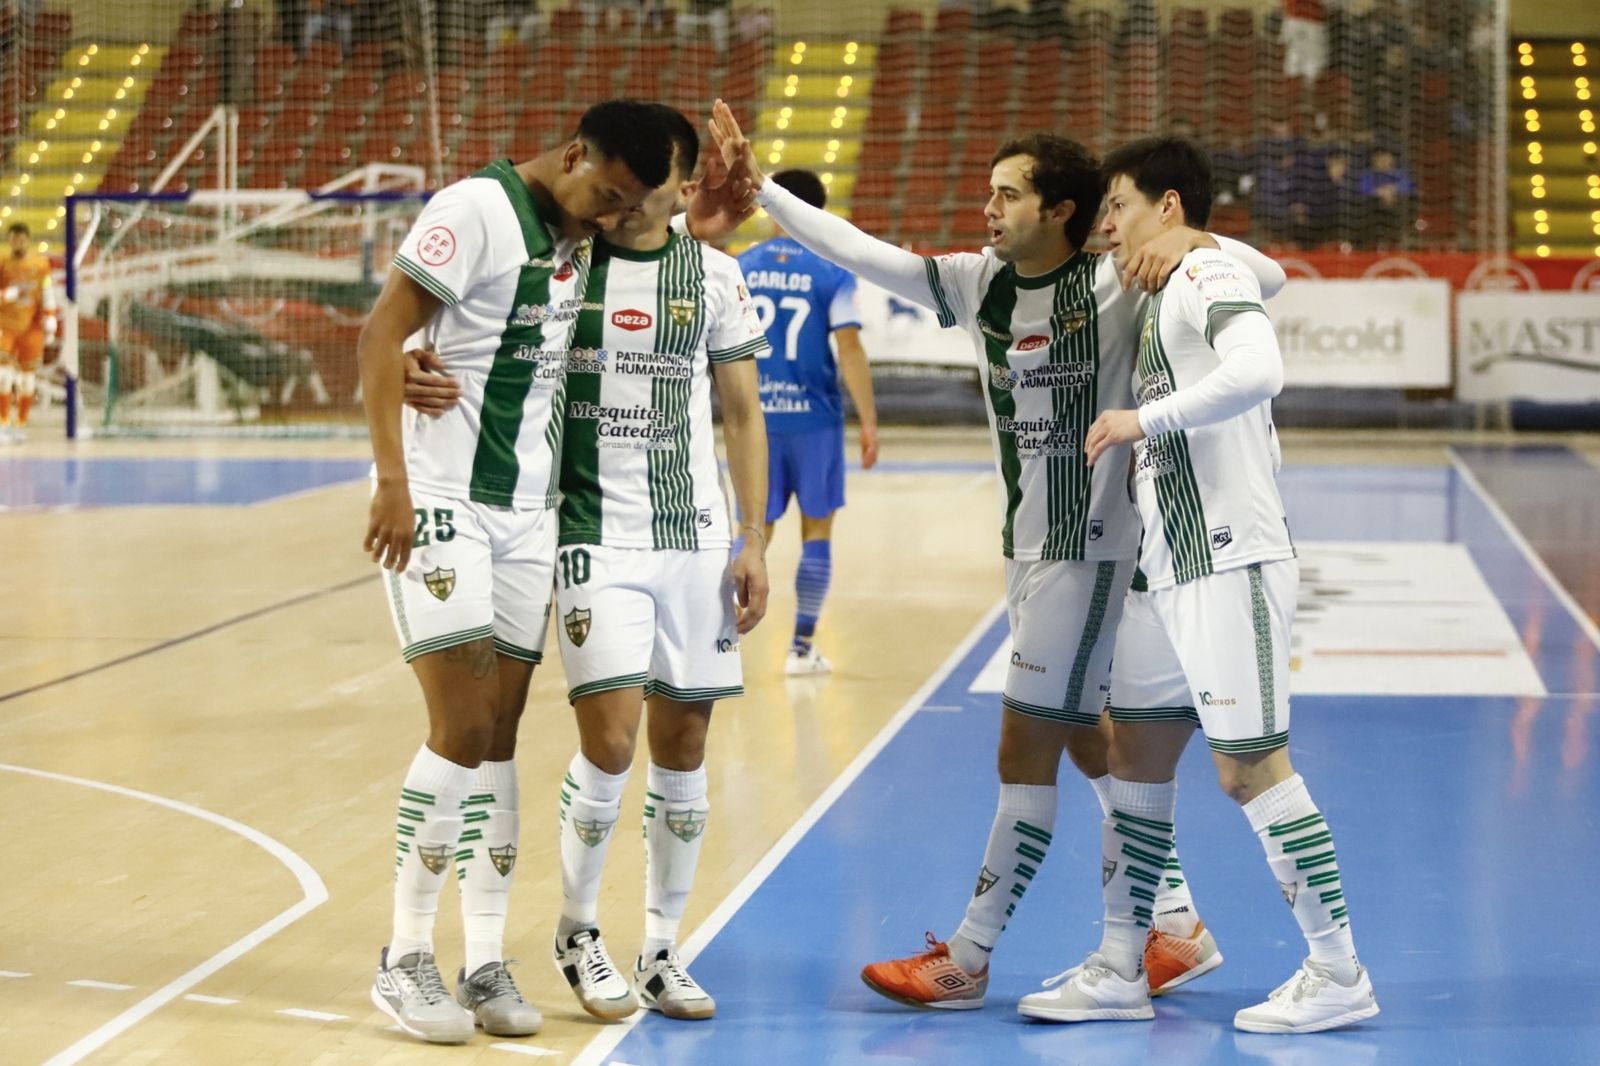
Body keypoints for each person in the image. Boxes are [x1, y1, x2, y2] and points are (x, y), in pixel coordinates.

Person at [708, 101, 1286, 1013]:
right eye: (989, 192)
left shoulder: (1118, 278)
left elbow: (1267, 276)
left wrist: (1192, 240)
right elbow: (865, 253)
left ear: (1061, 210)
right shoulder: (981, 285)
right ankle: (1174, 921)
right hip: (1032, 551)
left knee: (1025, 748)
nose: (988, 208)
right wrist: (766, 194)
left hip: (1092, 552)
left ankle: (969, 958)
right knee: (1091, 741)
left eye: (1008, 194)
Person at [357, 100, 676, 1046]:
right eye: (607, 195)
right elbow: (381, 334)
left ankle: (485, 958)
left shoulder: (582, 234)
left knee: (498, 736)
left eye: (627, 207)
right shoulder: (473, 210)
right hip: (442, 498)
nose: (613, 216)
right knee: (459, 727)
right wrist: (392, 480)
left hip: (528, 513)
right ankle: (404, 953)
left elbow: (674, 246)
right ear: (574, 153)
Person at [1068, 135, 1377, 1033]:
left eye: (1120, 207)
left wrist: (1143, 418)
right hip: (1169, 565)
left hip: (1229, 553)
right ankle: (1122, 966)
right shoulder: (1175, 274)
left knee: (1248, 770)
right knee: (1135, 755)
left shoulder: (1202, 275)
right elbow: (1264, 269)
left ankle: (1339, 973)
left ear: (1166, 205)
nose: (1109, 226)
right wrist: (1193, 238)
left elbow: (1260, 368)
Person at [544, 105, 769, 1025]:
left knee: (684, 748)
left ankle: (663, 948)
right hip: (592, 531)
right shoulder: (560, 266)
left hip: (693, 539)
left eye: (656, 182)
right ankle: (577, 930)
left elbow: (743, 413)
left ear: (683, 186)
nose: (636, 198)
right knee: (609, 741)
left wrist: (754, 537)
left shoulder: (715, 276)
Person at [737, 168, 877, 675]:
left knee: (753, 530)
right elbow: (850, 348)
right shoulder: (832, 271)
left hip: (755, 422)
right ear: (817, 213)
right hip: (815, 420)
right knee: (817, 530)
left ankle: (714, 636)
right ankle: (800, 648)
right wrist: (869, 422)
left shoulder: (740, 266)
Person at [0, 222, 56, 438]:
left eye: (22, 239)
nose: (18, 243)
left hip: (31, 328)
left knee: (27, 378)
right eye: (14, 239)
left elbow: (47, 291)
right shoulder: (3, 262)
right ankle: (3, 422)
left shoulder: (41, 265)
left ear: (28, 240)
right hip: (6, 326)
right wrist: (5, 295)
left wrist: (50, 317)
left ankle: (21, 424)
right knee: (3, 375)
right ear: (9, 241)